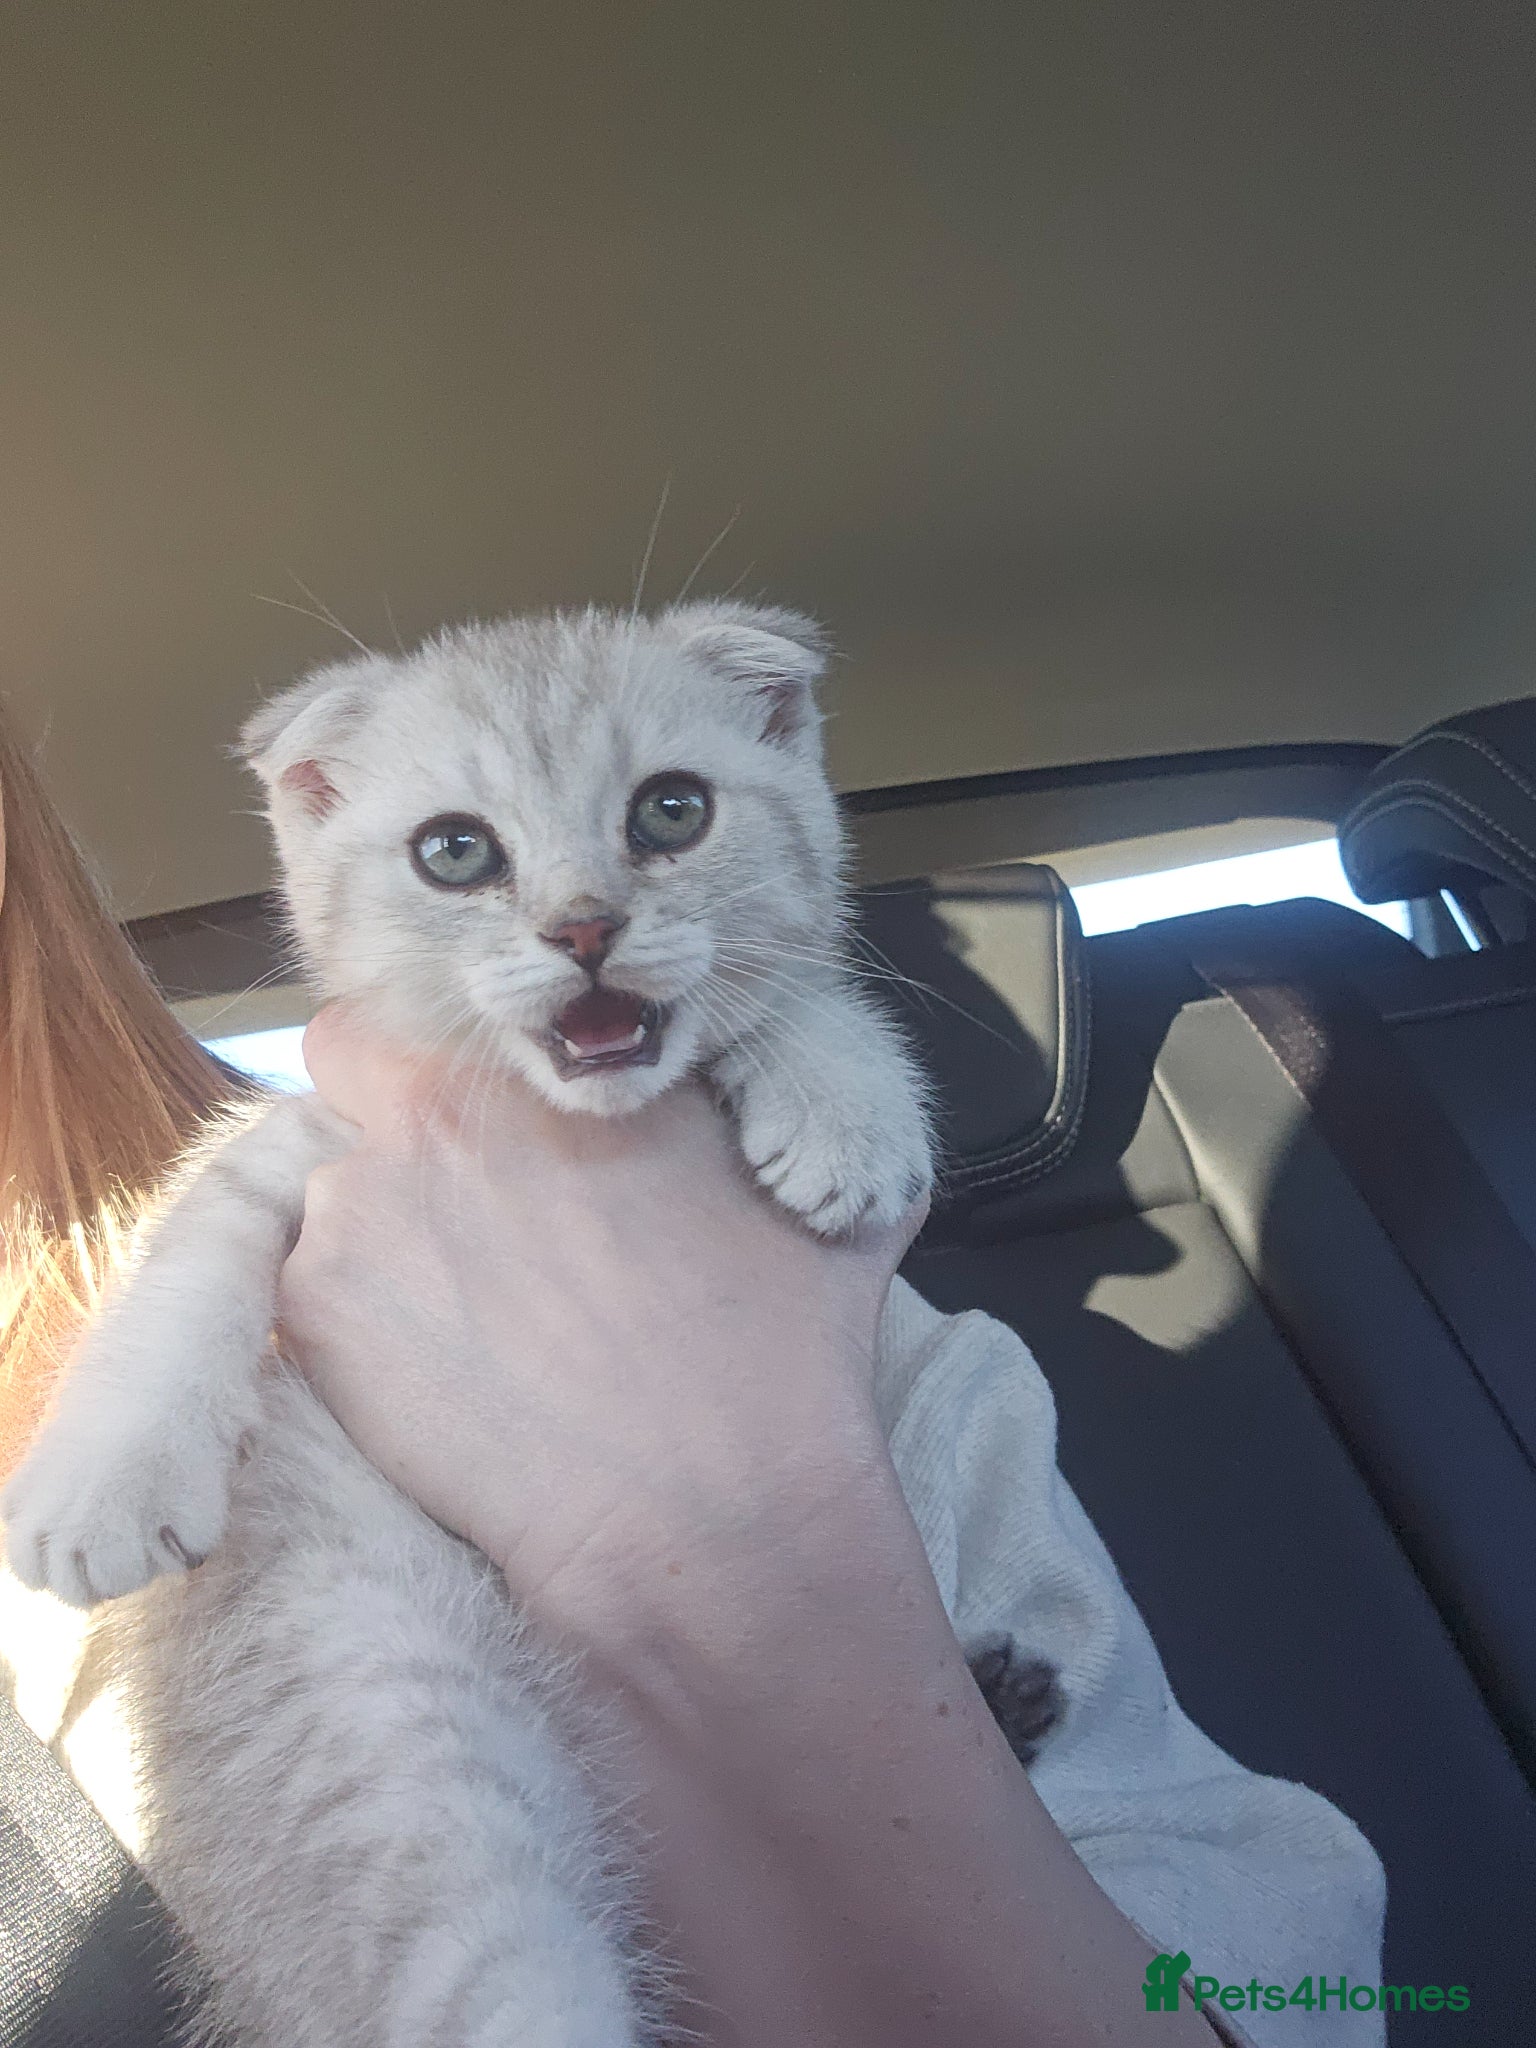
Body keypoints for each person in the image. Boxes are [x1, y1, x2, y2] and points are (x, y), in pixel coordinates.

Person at [0, 698, 1385, 2046]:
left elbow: (1286, 1992)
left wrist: (711, 1543)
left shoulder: (819, 1318)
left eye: (664, 816)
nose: (579, 916)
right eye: (463, 852)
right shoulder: (232, 1268)